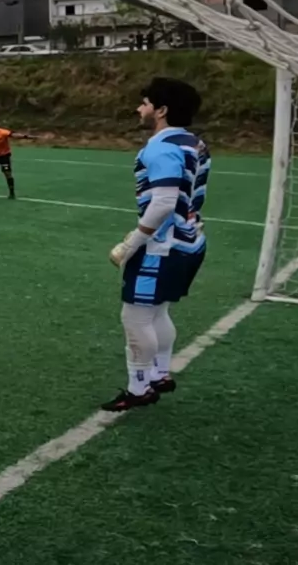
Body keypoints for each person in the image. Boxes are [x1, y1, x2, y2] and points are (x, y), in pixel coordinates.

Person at [101, 77, 210, 412]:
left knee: (135, 318)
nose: (139, 108)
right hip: (190, 241)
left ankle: (139, 389)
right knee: (157, 311)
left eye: (145, 103)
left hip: (161, 247)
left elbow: (163, 202)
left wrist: (131, 243)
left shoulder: (160, 147)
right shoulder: (195, 143)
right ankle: (160, 374)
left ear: (161, 110)